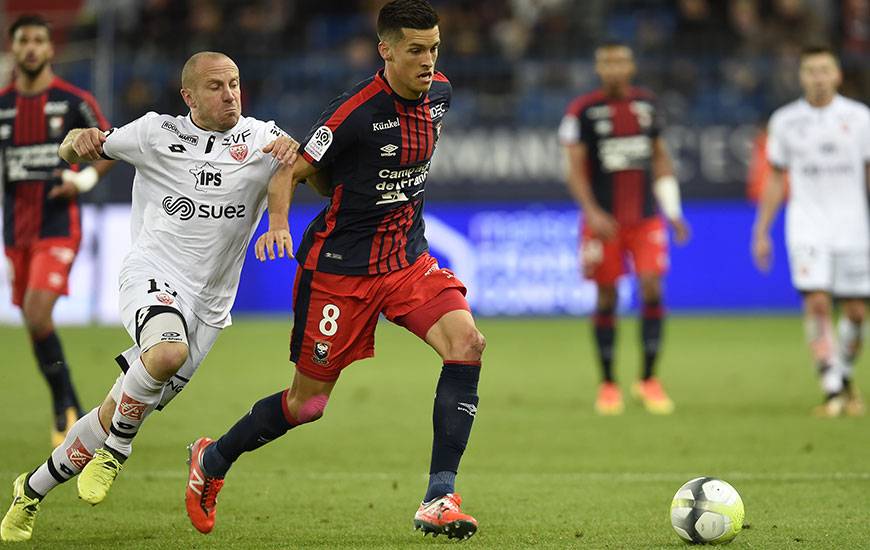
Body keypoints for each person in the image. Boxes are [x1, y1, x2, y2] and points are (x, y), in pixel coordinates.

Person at [184, 0, 484, 541]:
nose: (427, 60)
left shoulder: (440, 94)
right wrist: (277, 225)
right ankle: (213, 460)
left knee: (467, 344)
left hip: (407, 260)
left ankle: (440, 495)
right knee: (308, 404)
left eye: (434, 48)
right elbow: (291, 168)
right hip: (341, 272)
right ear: (385, 50)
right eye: (415, 50)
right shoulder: (354, 112)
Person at [0, 51, 298, 542]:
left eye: (235, 84)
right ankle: (118, 452)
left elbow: (288, 164)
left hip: (209, 310)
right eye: (216, 87)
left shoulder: (260, 136)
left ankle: (29, 491)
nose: (230, 95)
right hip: (152, 275)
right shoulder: (156, 133)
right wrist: (76, 143)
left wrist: (280, 221)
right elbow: (78, 150)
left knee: (112, 409)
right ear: (189, 96)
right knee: (164, 352)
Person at [0, 14, 114, 447]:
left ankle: (61, 409)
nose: (30, 47)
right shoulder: (3, 104)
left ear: (50, 49)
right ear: (14, 48)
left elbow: (105, 147)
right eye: (23, 40)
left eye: (38, 41)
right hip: (16, 230)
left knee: (36, 312)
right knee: (34, 323)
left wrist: (81, 181)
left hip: (58, 225)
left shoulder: (71, 101)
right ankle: (70, 402)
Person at [559, 41, 690, 416]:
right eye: (607, 63)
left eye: (620, 62)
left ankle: (649, 379)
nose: (614, 69)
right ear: (598, 68)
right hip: (604, 222)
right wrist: (592, 212)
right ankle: (608, 383)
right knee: (606, 298)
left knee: (651, 285)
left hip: (645, 219)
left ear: (631, 66)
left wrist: (673, 211)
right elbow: (575, 170)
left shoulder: (648, 106)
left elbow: (661, 160)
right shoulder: (582, 111)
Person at [752, 45, 869, 418]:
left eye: (824, 70)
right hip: (806, 224)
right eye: (810, 71)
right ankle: (832, 389)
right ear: (801, 77)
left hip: (852, 225)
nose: (817, 77)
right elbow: (774, 177)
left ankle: (844, 376)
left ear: (837, 75)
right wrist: (761, 230)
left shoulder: (860, 117)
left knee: (855, 313)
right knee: (817, 302)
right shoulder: (785, 121)